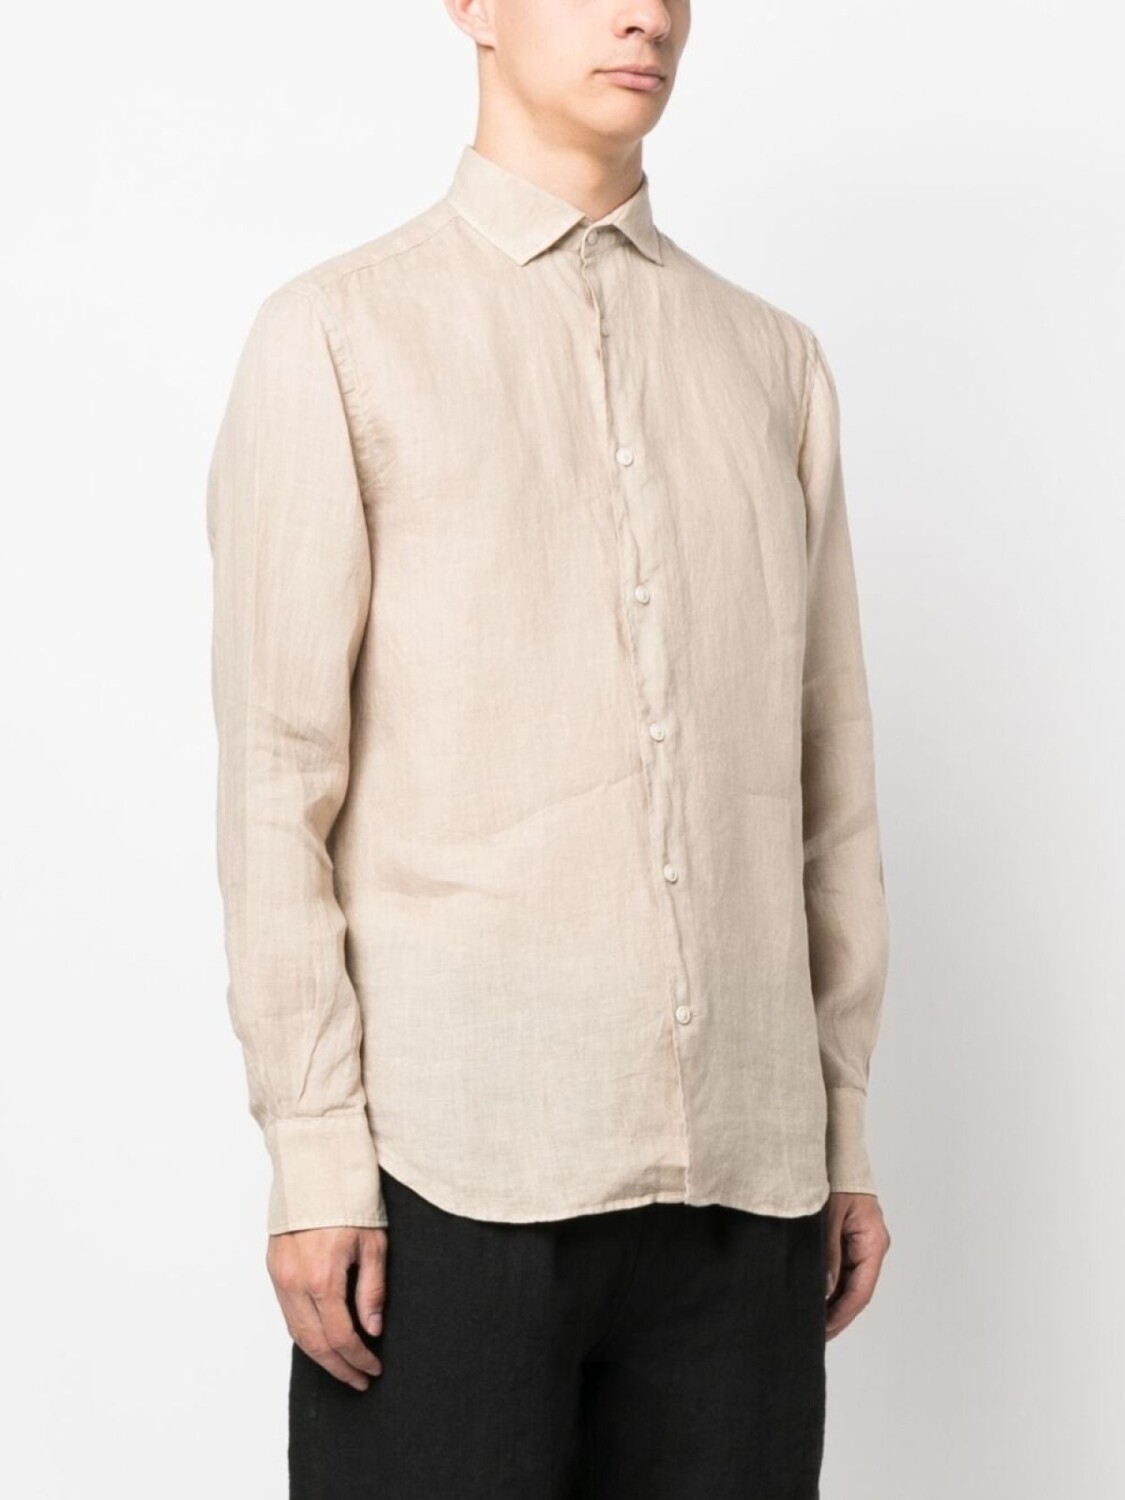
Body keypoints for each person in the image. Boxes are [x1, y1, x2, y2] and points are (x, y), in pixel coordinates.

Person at [206, 1, 893, 1494]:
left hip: (748, 1184)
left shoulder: (772, 363)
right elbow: (277, 780)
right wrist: (315, 1155)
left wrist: (839, 1131)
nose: (647, 15)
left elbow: (827, 781)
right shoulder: (338, 336)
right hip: (452, 1177)